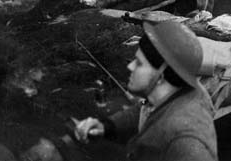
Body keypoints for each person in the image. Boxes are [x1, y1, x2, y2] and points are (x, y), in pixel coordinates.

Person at [73, 21, 218, 161]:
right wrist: (107, 126)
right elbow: (145, 111)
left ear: (160, 76)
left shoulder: (185, 142)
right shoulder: (172, 93)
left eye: (139, 63)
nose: (130, 66)